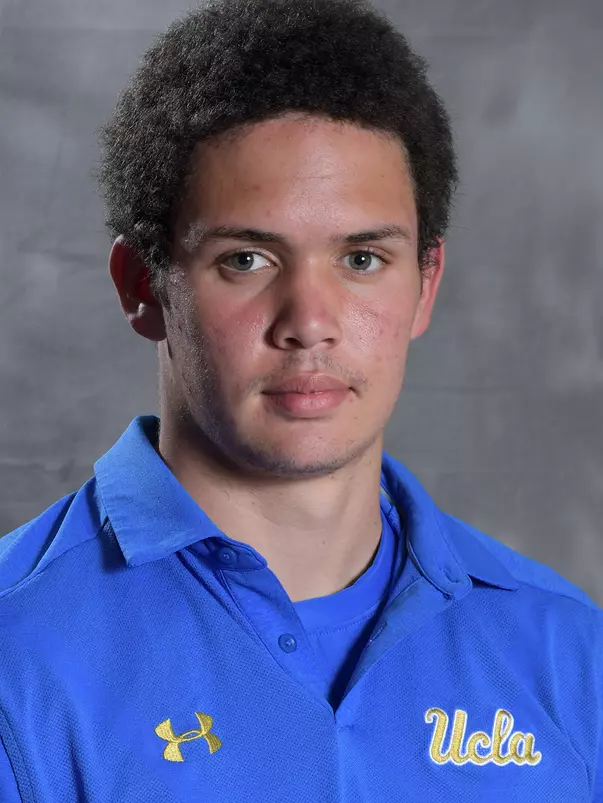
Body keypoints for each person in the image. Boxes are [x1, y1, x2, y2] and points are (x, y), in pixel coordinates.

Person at [0, 0, 601, 799]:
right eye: (246, 258)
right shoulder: (18, 650)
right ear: (142, 287)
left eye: (360, 258)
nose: (309, 324)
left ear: (424, 286)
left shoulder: (566, 646)